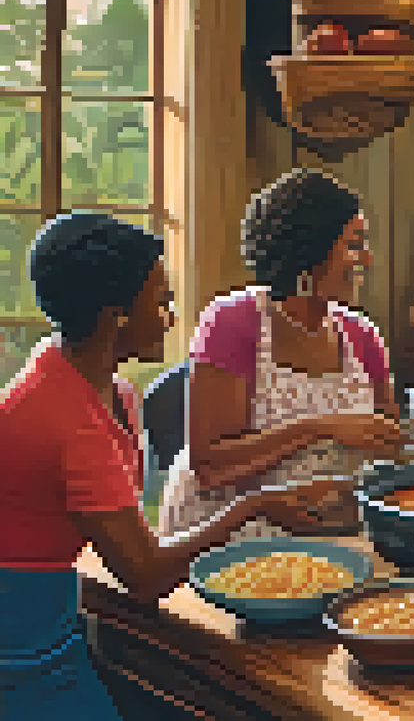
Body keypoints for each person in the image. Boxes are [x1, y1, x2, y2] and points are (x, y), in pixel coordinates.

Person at [0, 214, 344, 720]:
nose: (170, 317)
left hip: (57, 627)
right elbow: (146, 577)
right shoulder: (71, 421)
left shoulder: (101, 387)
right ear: (115, 317)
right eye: (160, 302)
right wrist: (251, 507)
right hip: (22, 653)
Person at [157, 168, 404, 539]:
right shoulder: (232, 322)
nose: (367, 259)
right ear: (310, 250)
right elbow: (210, 466)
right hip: (228, 528)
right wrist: (322, 427)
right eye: (354, 245)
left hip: (331, 525)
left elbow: (389, 446)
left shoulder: (362, 335)